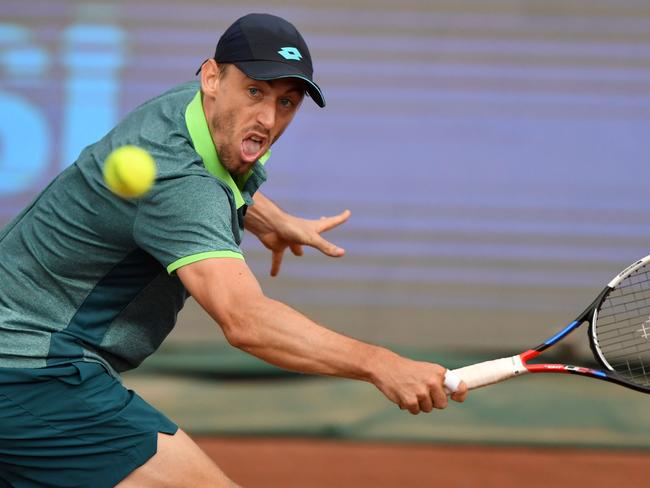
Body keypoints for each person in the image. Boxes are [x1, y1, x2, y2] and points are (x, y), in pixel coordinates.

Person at [0, 13, 467, 488]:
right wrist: (381, 364)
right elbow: (247, 323)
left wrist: (269, 217)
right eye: (255, 92)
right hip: (32, 371)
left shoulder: (190, 113)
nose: (267, 119)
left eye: (287, 101)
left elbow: (207, 180)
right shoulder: (181, 185)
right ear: (211, 77)